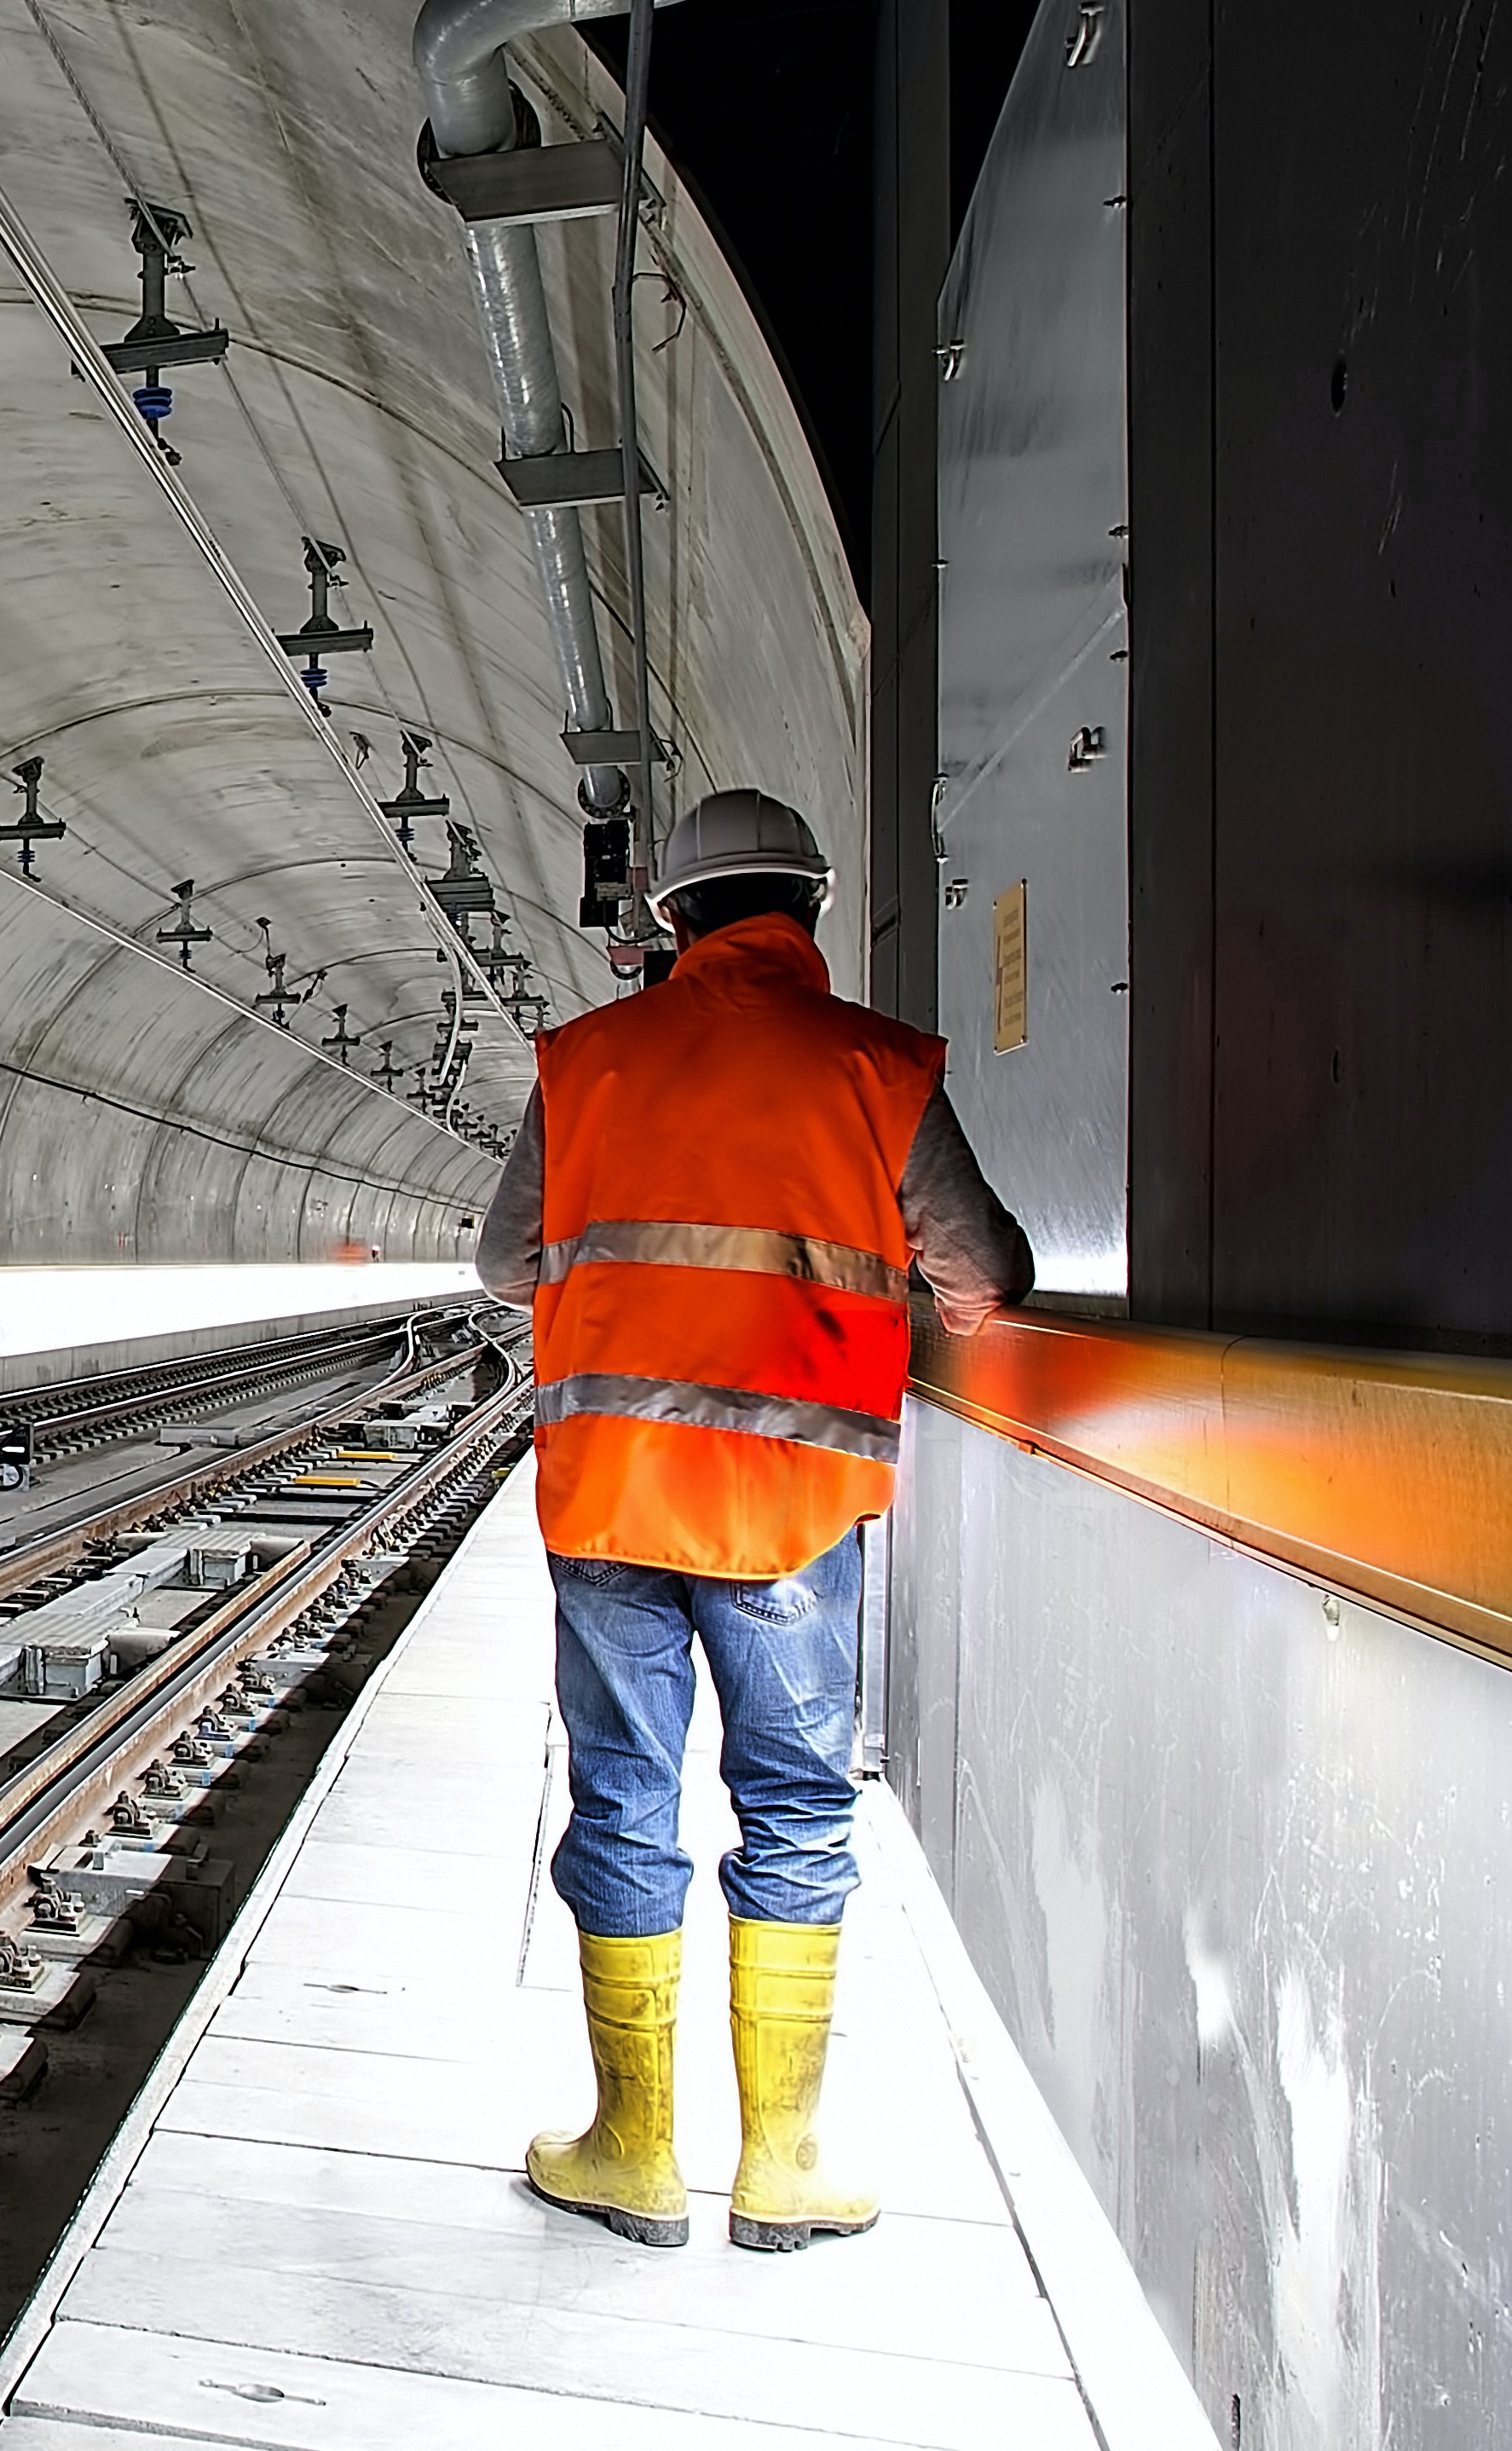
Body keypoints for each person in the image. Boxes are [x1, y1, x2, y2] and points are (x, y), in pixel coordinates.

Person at [475, 785, 1032, 2252]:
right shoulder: (877, 1067)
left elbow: (498, 1260)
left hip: (607, 1498)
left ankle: (629, 2149)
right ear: (811, 906)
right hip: (789, 1506)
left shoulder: (582, 1062)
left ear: (668, 918)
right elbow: (983, 1272)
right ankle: (779, 2161)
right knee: (791, 1800)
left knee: (622, 1793)